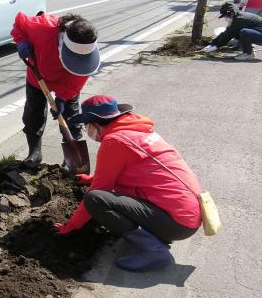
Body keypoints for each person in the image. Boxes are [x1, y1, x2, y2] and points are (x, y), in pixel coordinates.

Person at [54, 95, 202, 272]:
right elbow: (135, 171)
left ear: (96, 124)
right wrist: (92, 178)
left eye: (87, 126)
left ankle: (154, 252)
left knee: (95, 199)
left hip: (177, 223)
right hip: (188, 213)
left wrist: (71, 226)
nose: (87, 130)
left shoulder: (114, 141)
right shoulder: (138, 132)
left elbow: (99, 191)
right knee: (105, 194)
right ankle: (156, 235)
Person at [11, 12, 101, 167]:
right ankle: (35, 152)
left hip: (67, 82)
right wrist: (21, 42)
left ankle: (72, 161)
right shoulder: (42, 27)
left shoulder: (86, 55)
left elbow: (78, 78)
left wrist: (63, 98)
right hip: (38, 74)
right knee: (33, 113)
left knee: (71, 118)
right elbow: (19, 24)